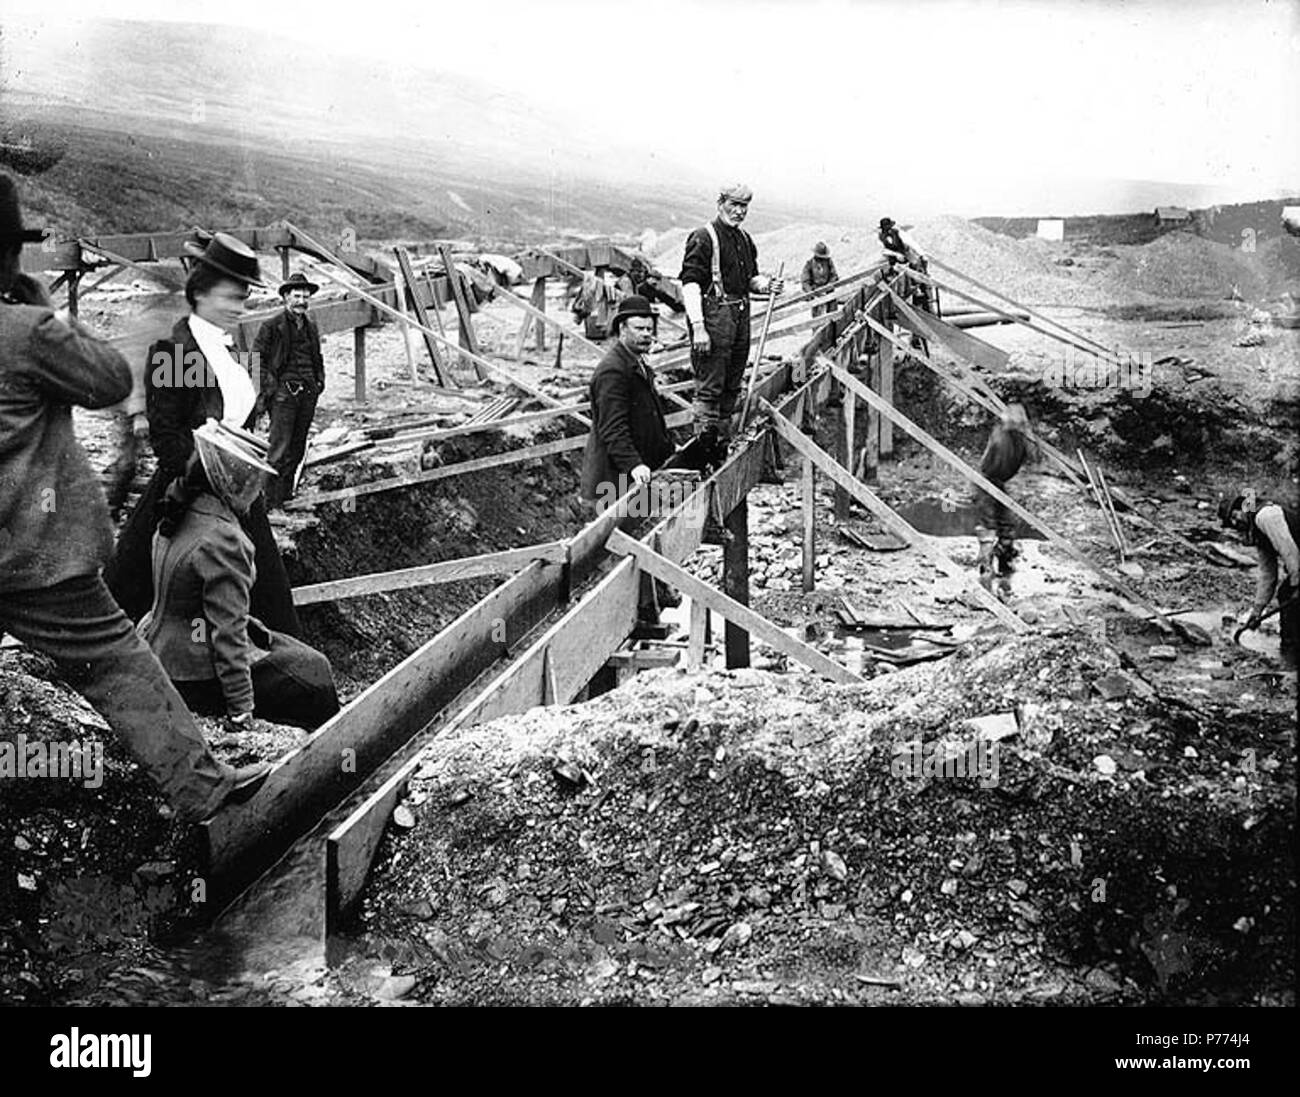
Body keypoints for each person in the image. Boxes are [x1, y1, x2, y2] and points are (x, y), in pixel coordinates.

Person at [0, 174, 267, 821]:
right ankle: (202, 787)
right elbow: (109, 378)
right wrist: (41, 306)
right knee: (119, 660)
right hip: (31, 556)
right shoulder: (28, 329)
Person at [104, 233, 301, 637]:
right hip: (187, 494)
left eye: (243, 299)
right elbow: (167, 439)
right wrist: (209, 473)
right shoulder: (175, 352)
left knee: (272, 603)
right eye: (229, 297)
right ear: (201, 293)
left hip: (240, 497)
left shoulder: (231, 346)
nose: (237, 308)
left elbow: (244, 404)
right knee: (134, 597)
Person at [140, 420, 341, 728]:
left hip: (157, 645)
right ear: (232, 480)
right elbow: (228, 632)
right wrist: (241, 707)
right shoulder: (223, 539)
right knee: (316, 675)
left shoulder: (179, 507)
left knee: (291, 650)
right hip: (193, 671)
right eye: (252, 481)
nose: (256, 490)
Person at [580, 295, 681, 625]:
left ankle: (649, 603)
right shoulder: (613, 371)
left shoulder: (636, 364)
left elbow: (649, 416)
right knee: (618, 550)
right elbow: (613, 428)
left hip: (635, 473)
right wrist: (635, 464)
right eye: (639, 328)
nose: (647, 335)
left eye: (650, 329)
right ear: (621, 328)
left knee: (640, 536)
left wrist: (669, 448)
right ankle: (611, 620)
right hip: (615, 476)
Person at [679, 183, 784, 468]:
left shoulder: (744, 239)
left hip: (739, 319)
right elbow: (689, 284)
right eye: (733, 205)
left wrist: (766, 284)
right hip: (714, 321)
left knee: (731, 387)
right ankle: (703, 458)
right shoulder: (703, 238)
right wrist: (698, 326)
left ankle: (721, 451)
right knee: (709, 389)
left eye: (743, 207)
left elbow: (749, 279)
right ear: (720, 203)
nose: (738, 212)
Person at [252, 271, 325, 508]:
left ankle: (283, 497)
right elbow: (255, 361)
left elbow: (317, 357)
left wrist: (319, 382)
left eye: (305, 296)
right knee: (278, 448)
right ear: (285, 297)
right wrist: (269, 389)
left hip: (308, 393)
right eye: (297, 296)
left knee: (297, 447)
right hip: (283, 395)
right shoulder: (272, 326)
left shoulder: (311, 326)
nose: (302, 301)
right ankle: (266, 503)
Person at [1219, 491, 1298, 671]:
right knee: (1286, 595)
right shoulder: (1256, 531)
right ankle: (1288, 655)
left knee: (1291, 601)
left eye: (1234, 516)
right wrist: (1257, 611)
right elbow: (1268, 575)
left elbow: (1291, 554)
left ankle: (1291, 658)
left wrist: (1296, 585)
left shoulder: (1266, 516)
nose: (1235, 523)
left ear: (1244, 507)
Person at [972, 403, 1033, 599]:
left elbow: (1030, 456)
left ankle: (1005, 559)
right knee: (989, 523)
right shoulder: (1000, 439)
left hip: (999, 481)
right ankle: (985, 566)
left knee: (1008, 522)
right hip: (987, 481)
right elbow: (989, 464)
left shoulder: (1020, 440)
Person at [878, 216, 933, 313]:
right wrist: (895, 254)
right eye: (887, 228)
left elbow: (912, 244)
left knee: (915, 264)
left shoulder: (898, 233)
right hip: (892, 259)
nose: (889, 230)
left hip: (904, 256)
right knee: (890, 273)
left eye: (890, 228)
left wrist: (922, 254)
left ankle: (918, 288)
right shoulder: (881, 237)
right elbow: (883, 251)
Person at [801, 241, 839, 317]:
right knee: (817, 319)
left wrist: (829, 286)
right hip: (816, 294)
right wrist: (812, 293)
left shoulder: (829, 262)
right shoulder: (809, 264)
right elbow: (805, 281)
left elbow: (834, 276)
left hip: (829, 293)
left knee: (833, 316)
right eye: (819, 257)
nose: (821, 259)